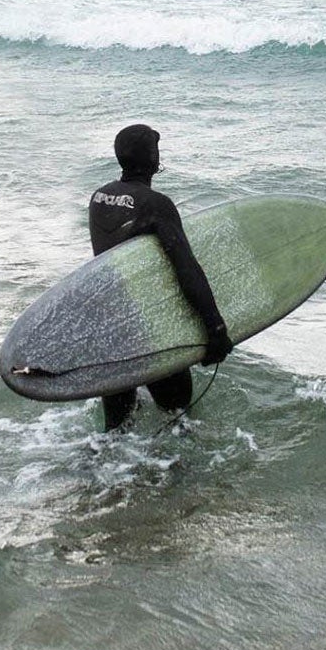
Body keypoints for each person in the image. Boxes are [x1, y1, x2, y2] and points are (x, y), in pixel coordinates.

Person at [88, 123, 232, 431]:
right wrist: (215, 327)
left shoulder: (99, 197)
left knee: (116, 429)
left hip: (112, 331)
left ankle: (104, 477)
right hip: (149, 328)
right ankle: (175, 477)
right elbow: (186, 268)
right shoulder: (156, 205)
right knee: (177, 419)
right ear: (152, 157)